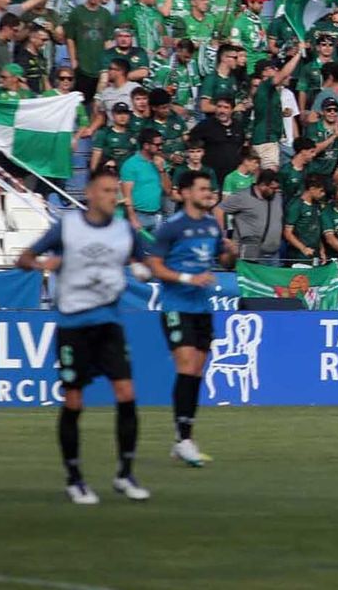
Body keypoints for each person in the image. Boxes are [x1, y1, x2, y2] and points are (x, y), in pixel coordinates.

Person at [13, 170, 150, 503]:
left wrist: (145, 268)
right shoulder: (68, 226)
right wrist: (47, 264)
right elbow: (23, 258)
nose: (110, 197)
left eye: (114, 191)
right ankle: (74, 478)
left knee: (126, 393)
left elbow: (146, 262)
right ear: (89, 193)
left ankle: (125, 474)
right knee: (74, 400)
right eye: (105, 190)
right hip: (73, 325)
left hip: (109, 323)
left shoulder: (124, 231)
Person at [144, 169, 235, 468]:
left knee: (196, 372)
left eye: (209, 188)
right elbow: (154, 266)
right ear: (184, 193)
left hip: (202, 308)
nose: (207, 193)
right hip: (175, 306)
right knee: (185, 367)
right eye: (201, 189)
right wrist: (186, 277)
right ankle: (184, 440)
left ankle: (183, 435)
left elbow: (223, 259)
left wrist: (231, 253)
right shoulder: (171, 227)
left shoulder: (211, 224)